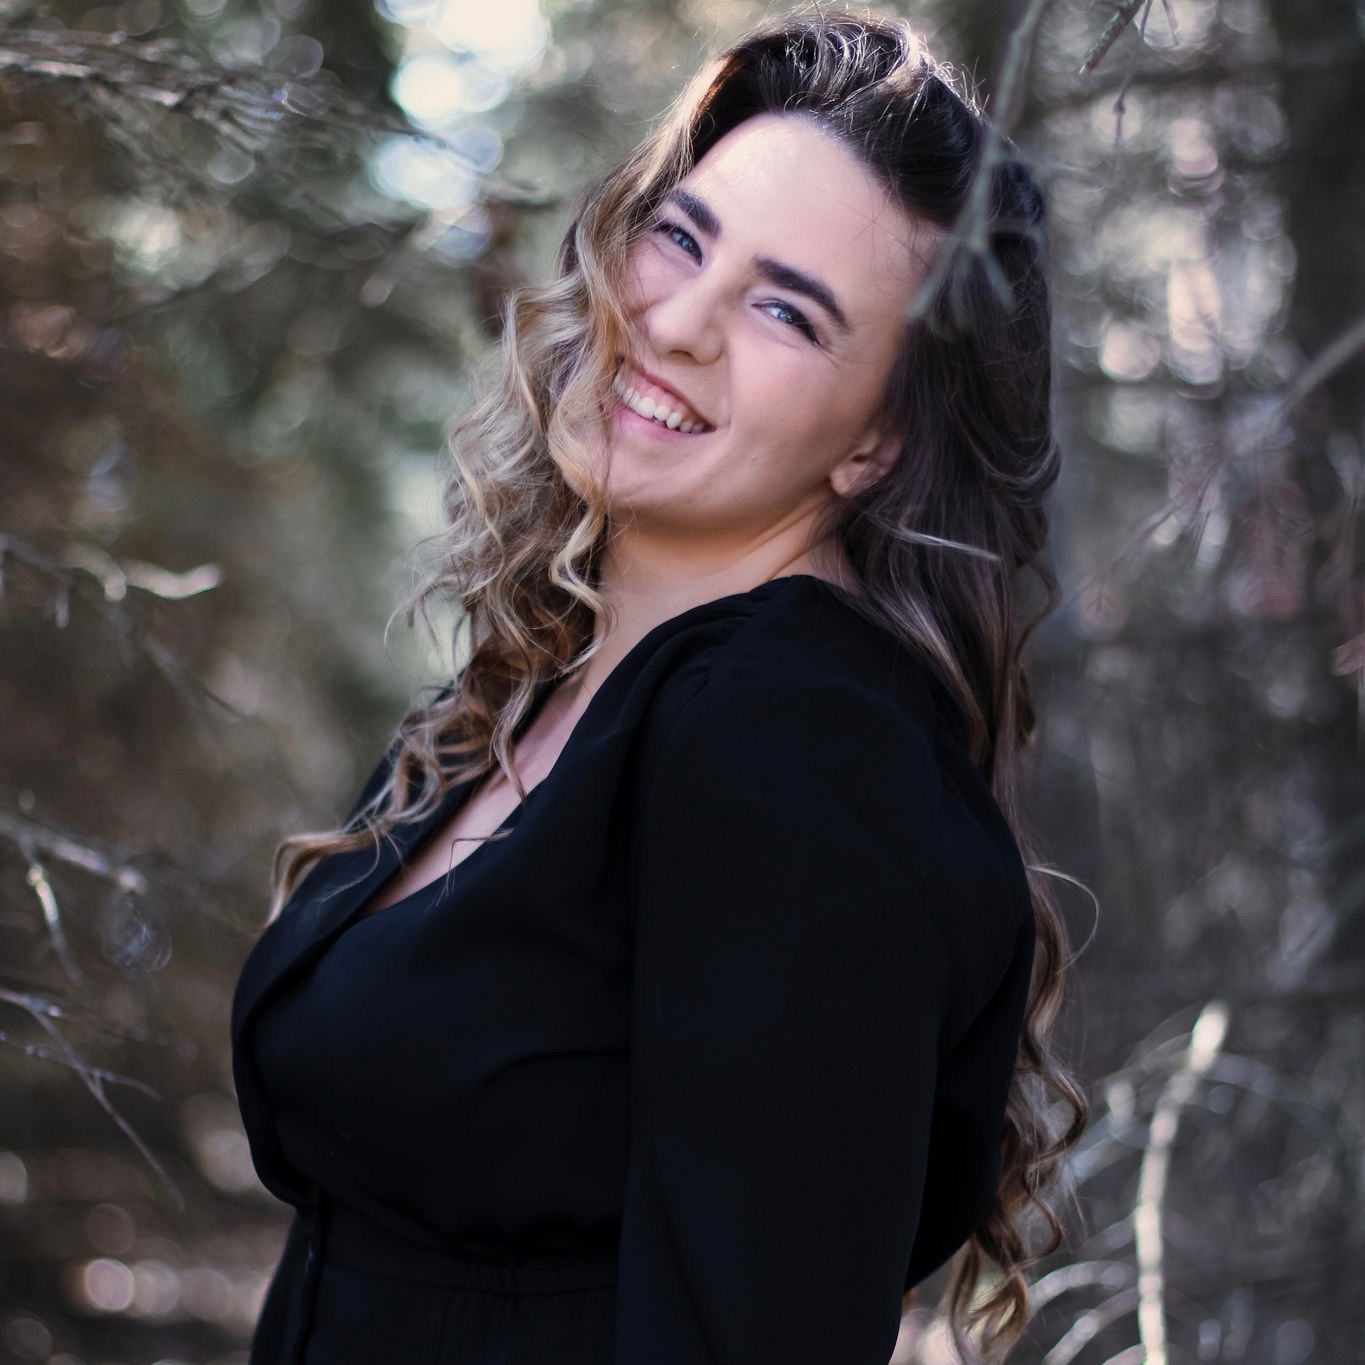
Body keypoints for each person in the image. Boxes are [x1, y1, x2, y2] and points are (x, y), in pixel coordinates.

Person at [229, 10, 1090, 1364]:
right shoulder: (536, 683)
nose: (672, 322)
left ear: (874, 437)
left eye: (782, 310)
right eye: (681, 236)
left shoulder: (800, 748)